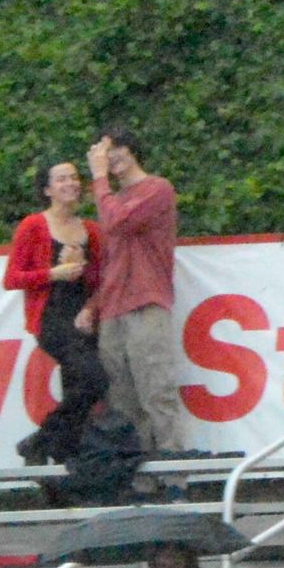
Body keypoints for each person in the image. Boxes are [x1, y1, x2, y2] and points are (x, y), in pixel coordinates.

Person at [7, 157, 109, 465]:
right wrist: (54, 273)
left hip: (85, 319)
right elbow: (12, 278)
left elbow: (101, 280)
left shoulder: (91, 230)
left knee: (78, 392)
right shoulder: (34, 226)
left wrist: (90, 305)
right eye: (62, 179)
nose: (71, 184)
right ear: (48, 189)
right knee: (95, 380)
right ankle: (40, 440)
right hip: (51, 318)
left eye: (74, 177)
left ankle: (62, 467)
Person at [87, 128, 183, 453]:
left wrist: (99, 179)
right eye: (103, 154)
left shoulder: (157, 189)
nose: (109, 159)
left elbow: (119, 222)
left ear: (132, 150)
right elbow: (110, 260)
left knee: (157, 389)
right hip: (113, 306)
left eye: (114, 150)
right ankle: (137, 474)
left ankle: (173, 476)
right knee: (122, 399)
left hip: (146, 300)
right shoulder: (112, 200)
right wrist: (94, 306)